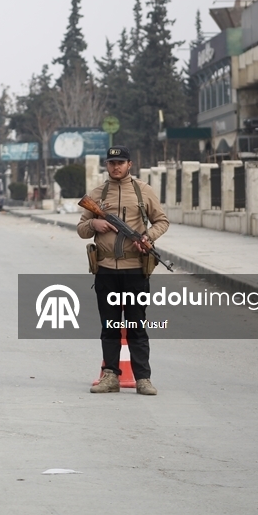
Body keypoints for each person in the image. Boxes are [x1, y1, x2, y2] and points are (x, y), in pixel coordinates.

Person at [77, 146, 169, 396]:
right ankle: (110, 376)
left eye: (120, 162)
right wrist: (94, 223)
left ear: (130, 164)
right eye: (112, 162)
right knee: (110, 325)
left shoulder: (143, 191)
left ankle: (143, 378)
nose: (116, 167)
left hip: (134, 270)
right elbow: (82, 229)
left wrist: (147, 237)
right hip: (106, 270)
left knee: (136, 325)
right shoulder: (97, 194)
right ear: (106, 165)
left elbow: (162, 221)